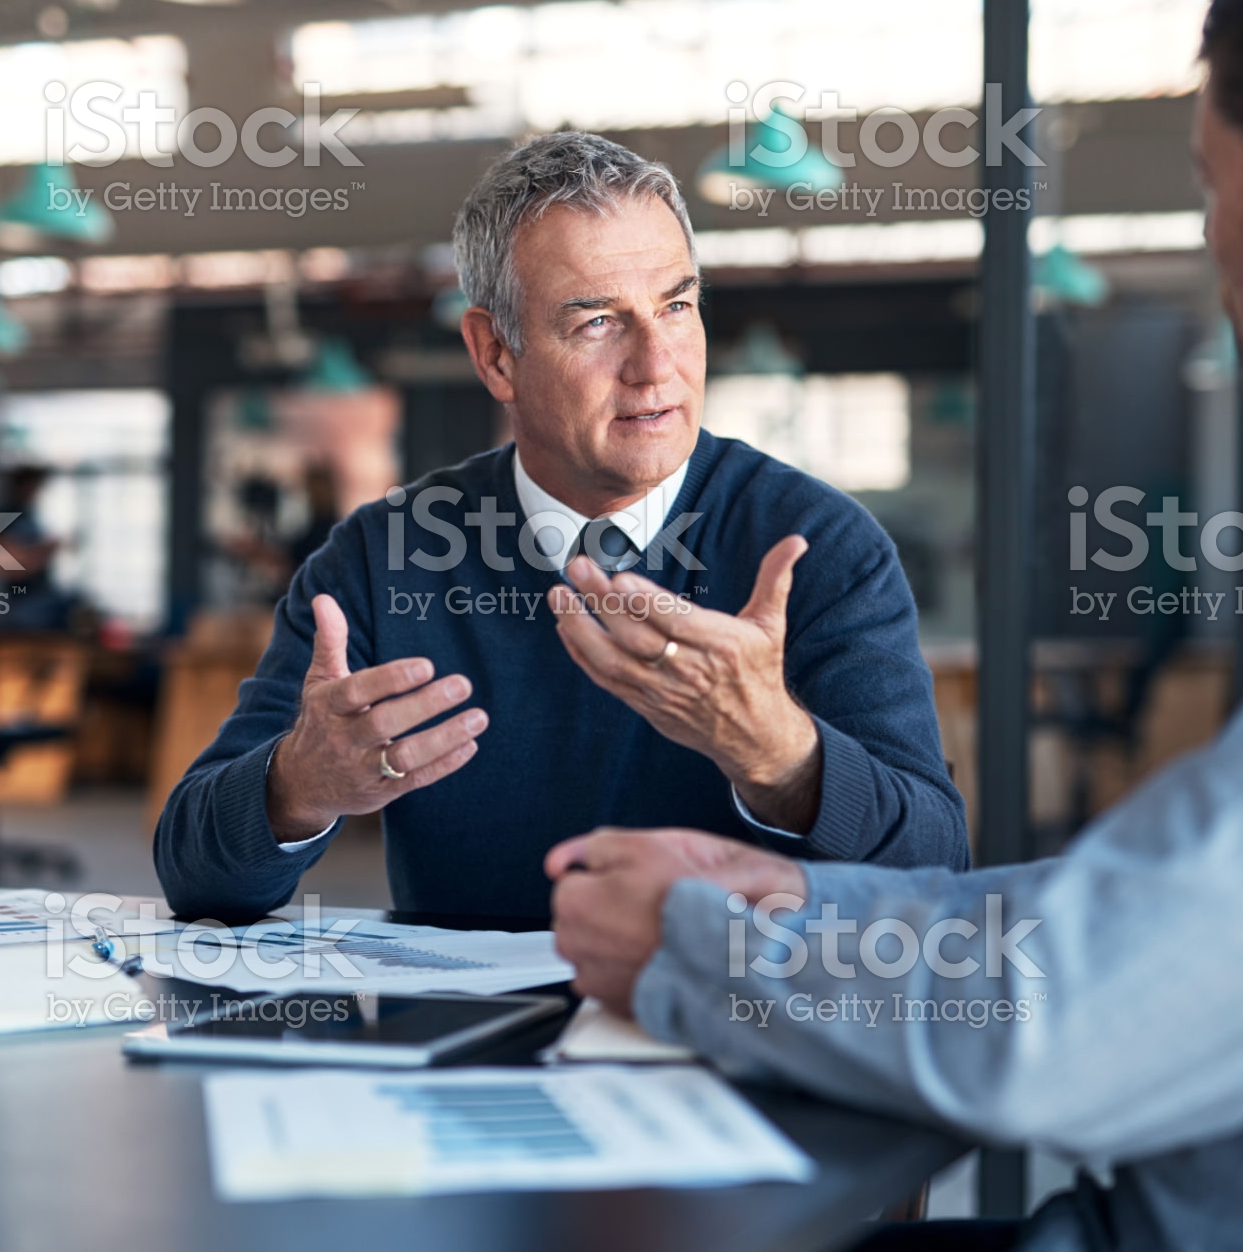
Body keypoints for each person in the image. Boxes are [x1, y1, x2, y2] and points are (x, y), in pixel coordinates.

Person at [546, 0, 1243, 1247]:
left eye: (1213, 190)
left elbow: (1083, 1014)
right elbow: (1169, 914)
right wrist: (802, 903)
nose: (1212, 242)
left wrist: (700, 949)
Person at [154, 132, 967, 923]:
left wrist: (783, 756)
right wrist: (297, 784)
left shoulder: (818, 547)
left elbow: (936, 872)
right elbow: (194, 874)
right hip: (456, 1015)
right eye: (599, 322)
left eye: (676, 306)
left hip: (725, 1007)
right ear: (496, 354)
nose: (657, 366)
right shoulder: (381, 558)